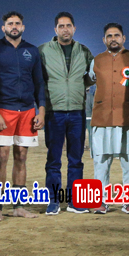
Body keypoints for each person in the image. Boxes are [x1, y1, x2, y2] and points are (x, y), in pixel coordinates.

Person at [0, 11, 46, 222]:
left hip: (27, 111)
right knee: (1, 158)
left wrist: (41, 109)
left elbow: (39, 83)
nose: (14, 26)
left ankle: (18, 206)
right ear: (4, 28)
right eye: (10, 23)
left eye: (18, 23)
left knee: (21, 157)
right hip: (3, 110)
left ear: (23, 27)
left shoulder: (31, 50)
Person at [39, 12, 95, 214]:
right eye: (61, 26)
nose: (65, 29)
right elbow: (39, 79)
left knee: (76, 159)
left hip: (77, 112)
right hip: (54, 112)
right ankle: (53, 201)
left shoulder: (83, 50)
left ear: (74, 28)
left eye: (68, 25)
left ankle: (75, 201)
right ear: (55, 29)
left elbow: (91, 76)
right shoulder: (43, 50)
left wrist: (81, 86)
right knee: (53, 159)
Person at [88, 23, 129, 214]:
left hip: (127, 117)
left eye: (116, 35)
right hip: (102, 118)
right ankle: (101, 201)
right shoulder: (96, 60)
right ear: (104, 40)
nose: (113, 39)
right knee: (101, 161)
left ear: (123, 38)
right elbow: (87, 81)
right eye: (109, 36)